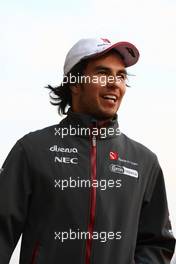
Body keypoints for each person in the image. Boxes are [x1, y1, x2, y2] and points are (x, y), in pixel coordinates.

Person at [0, 37, 175, 264]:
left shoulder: (144, 162)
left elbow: (156, 242)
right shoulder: (32, 150)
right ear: (74, 83)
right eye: (103, 73)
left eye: (120, 76)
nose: (114, 83)